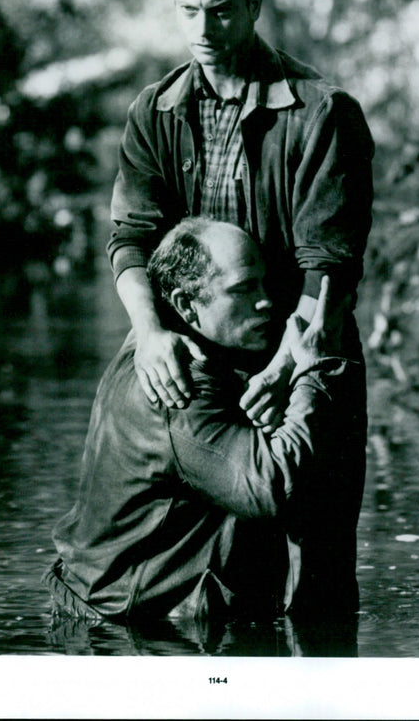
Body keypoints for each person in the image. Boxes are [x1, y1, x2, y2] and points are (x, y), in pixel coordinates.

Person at [106, 0, 374, 618]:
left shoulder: (322, 114)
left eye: (220, 9)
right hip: (196, 364)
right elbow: (129, 241)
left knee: (318, 586)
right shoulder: (154, 112)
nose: (202, 27)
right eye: (187, 9)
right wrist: (151, 334)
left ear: (254, 3)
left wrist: (290, 364)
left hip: (303, 352)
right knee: (226, 579)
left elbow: (330, 266)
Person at [44, 218, 354, 648]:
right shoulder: (180, 387)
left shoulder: (153, 345)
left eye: (264, 285)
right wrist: (313, 370)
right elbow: (272, 487)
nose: (267, 302)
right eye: (244, 290)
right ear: (187, 305)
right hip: (129, 632)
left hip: (110, 615)